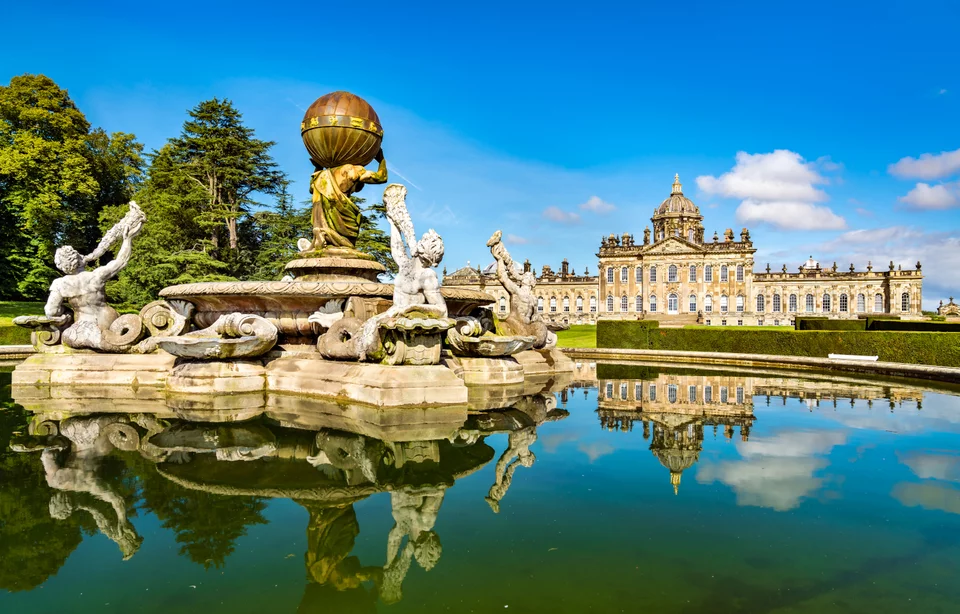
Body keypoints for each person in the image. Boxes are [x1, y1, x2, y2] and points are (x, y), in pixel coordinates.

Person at [45, 202, 145, 352]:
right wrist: (127, 239)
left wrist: (65, 313)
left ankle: (106, 343)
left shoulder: (60, 284)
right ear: (77, 259)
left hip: (83, 326)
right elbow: (120, 261)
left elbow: (51, 311)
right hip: (109, 321)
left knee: (69, 337)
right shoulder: (95, 276)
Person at [309, 149, 388, 250]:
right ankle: (326, 234)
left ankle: (322, 232)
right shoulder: (353, 169)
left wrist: (318, 167)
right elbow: (381, 177)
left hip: (320, 211)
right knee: (349, 244)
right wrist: (381, 160)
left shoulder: (320, 175)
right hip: (342, 209)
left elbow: (311, 189)